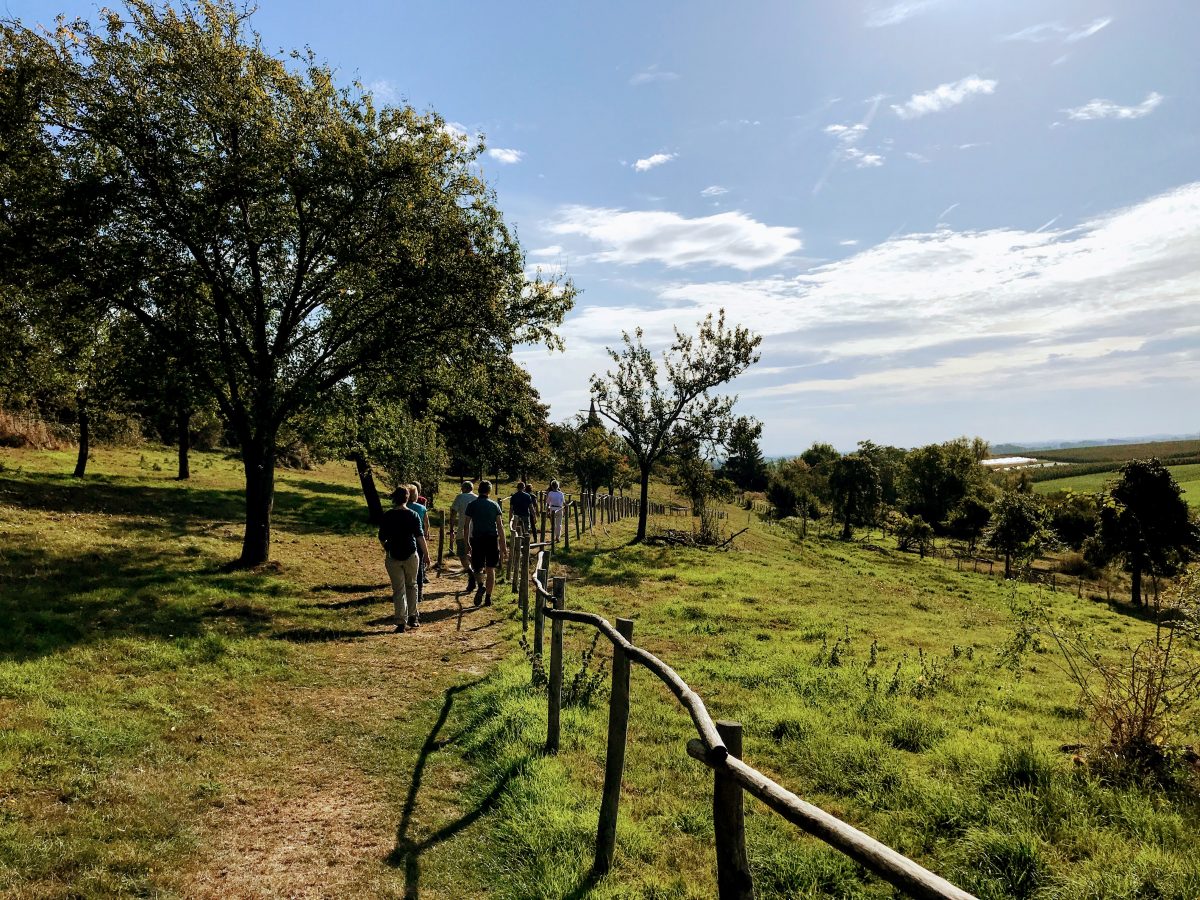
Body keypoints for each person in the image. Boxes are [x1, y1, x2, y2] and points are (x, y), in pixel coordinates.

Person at [379, 487, 429, 632]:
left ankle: (401, 621)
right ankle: (413, 617)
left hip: (393, 555)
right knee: (412, 585)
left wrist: (387, 548)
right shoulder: (413, 515)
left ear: (394, 498)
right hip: (411, 554)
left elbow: (382, 537)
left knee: (398, 589)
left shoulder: (388, 515)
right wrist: (426, 554)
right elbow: (420, 536)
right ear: (407, 498)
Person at [465, 480, 507, 607]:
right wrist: (503, 543)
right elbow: (500, 526)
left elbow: (466, 526)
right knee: (490, 569)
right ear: (489, 491)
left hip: (477, 539)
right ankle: (488, 597)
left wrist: (467, 541)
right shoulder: (495, 505)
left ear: (478, 490)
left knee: (477, 567)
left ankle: (481, 586)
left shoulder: (472, 505)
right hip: (491, 539)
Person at [449, 480, 477, 592]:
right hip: (476, 532)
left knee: (462, 555)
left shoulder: (459, 497)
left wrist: (451, 529)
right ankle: (474, 572)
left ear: (463, 488)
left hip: (462, 532)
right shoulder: (477, 497)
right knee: (474, 555)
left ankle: (470, 573)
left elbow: (453, 514)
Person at [407, 485, 429, 602]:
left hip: (406, 539)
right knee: (419, 566)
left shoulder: (403, 508)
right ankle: (419, 592)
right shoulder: (421, 508)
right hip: (419, 538)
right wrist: (426, 534)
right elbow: (426, 523)